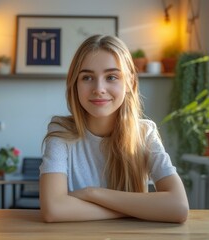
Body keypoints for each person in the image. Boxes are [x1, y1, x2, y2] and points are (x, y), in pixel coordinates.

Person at [39, 35, 189, 223]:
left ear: (130, 83)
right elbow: (53, 210)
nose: (99, 88)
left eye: (111, 77)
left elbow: (179, 207)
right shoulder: (61, 131)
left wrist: (92, 193)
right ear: (74, 84)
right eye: (87, 77)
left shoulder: (145, 133)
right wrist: (139, 209)